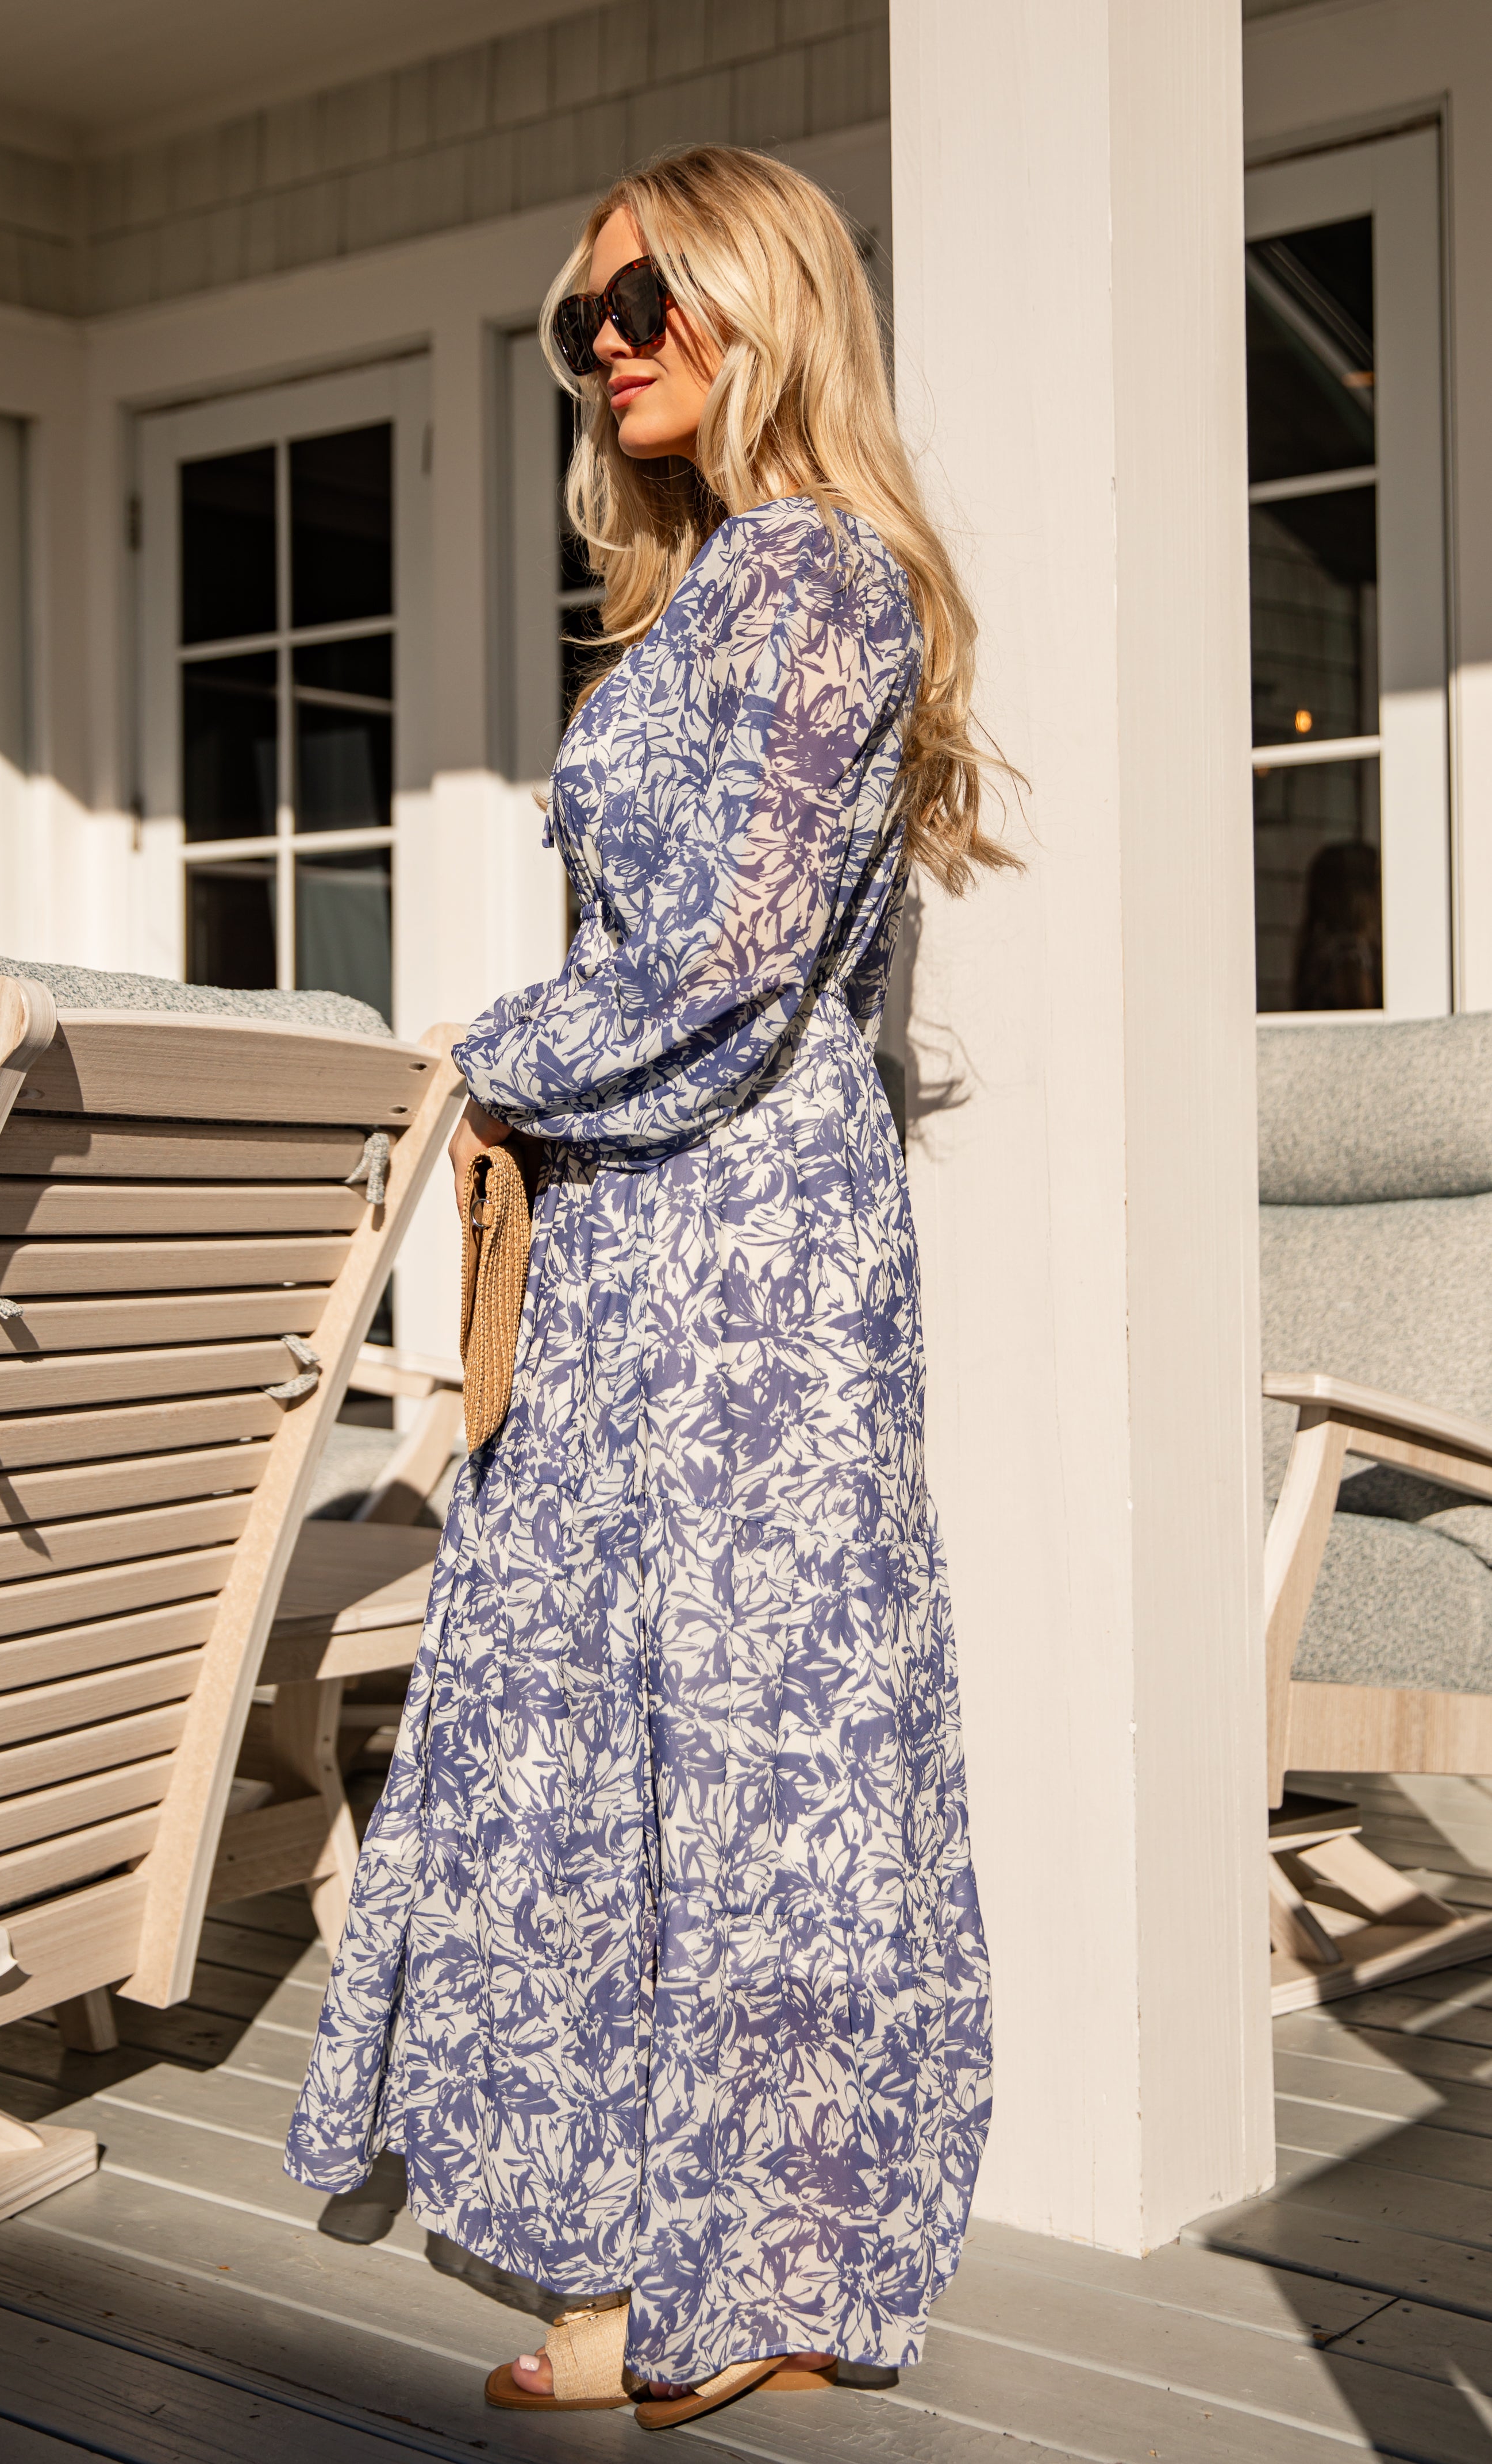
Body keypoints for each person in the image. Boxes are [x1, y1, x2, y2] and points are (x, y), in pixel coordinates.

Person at [286, 143, 1006, 2432]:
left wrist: (479, 1058)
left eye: (644, 300)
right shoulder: (720, 592)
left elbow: (720, 967)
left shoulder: (817, 578)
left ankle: (749, 2272)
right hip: (647, 1246)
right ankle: (656, 2264)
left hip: (743, 1280)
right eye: (578, 320)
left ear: (761, 300)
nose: (604, 348)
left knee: (758, 1772)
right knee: (631, 1760)